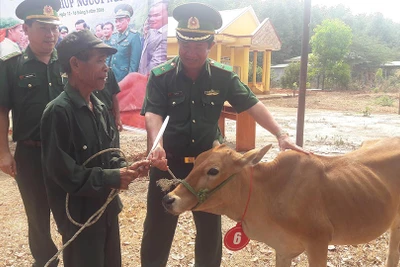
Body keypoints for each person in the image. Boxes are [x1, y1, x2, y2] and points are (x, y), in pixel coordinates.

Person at [140, 3, 308, 267]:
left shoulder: (222, 77)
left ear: (210, 45)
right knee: (158, 229)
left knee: (208, 231)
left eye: (197, 47)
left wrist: (280, 134)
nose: (190, 53)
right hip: (167, 163)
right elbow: (153, 113)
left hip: (209, 168)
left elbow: (253, 105)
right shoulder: (161, 77)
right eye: (185, 45)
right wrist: (156, 145)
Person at [40, 29, 150, 266]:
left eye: (106, 61)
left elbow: (110, 153)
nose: (106, 68)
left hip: (106, 208)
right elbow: (63, 173)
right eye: (99, 60)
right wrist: (112, 177)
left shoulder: (99, 107)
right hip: (80, 215)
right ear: (75, 64)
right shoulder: (58, 112)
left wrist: (126, 169)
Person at [0, 0, 64, 266]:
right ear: (26, 28)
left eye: (53, 28)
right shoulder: (11, 65)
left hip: (67, 152)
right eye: (43, 27)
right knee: (36, 215)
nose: (50, 34)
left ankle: (77, 254)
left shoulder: (71, 61)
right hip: (30, 152)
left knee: (70, 207)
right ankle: (46, 260)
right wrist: (3, 152)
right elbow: (2, 110)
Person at [109, 3, 142, 82]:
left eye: (120, 21)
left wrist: (129, 81)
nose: (117, 24)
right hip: (111, 76)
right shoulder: (113, 36)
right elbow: (110, 57)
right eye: (116, 21)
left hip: (124, 77)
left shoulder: (134, 36)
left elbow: (134, 63)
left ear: (128, 20)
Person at [94, 68, 123, 147]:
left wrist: (118, 117)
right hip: (93, 115)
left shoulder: (108, 72)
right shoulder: (86, 73)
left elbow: (114, 95)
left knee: (113, 145)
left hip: (108, 114)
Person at [138, 2, 168, 76]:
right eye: (150, 16)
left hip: (152, 80)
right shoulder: (152, 31)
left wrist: (143, 80)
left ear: (167, 14)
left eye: (157, 15)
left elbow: (156, 66)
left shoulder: (165, 36)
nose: (151, 19)